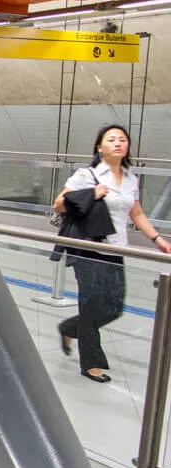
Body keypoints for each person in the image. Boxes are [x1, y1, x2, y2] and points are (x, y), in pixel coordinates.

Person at [55, 124, 171, 383]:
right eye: (111, 139)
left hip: (116, 248)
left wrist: (158, 239)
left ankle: (70, 327)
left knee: (114, 307)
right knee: (90, 304)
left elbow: (136, 214)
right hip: (89, 248)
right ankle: (91, 364)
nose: (118, 143)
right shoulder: (87, 175)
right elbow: (59, 204)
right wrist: (90, 193)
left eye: (122, 139)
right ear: (100, 147)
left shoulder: (130, 178)